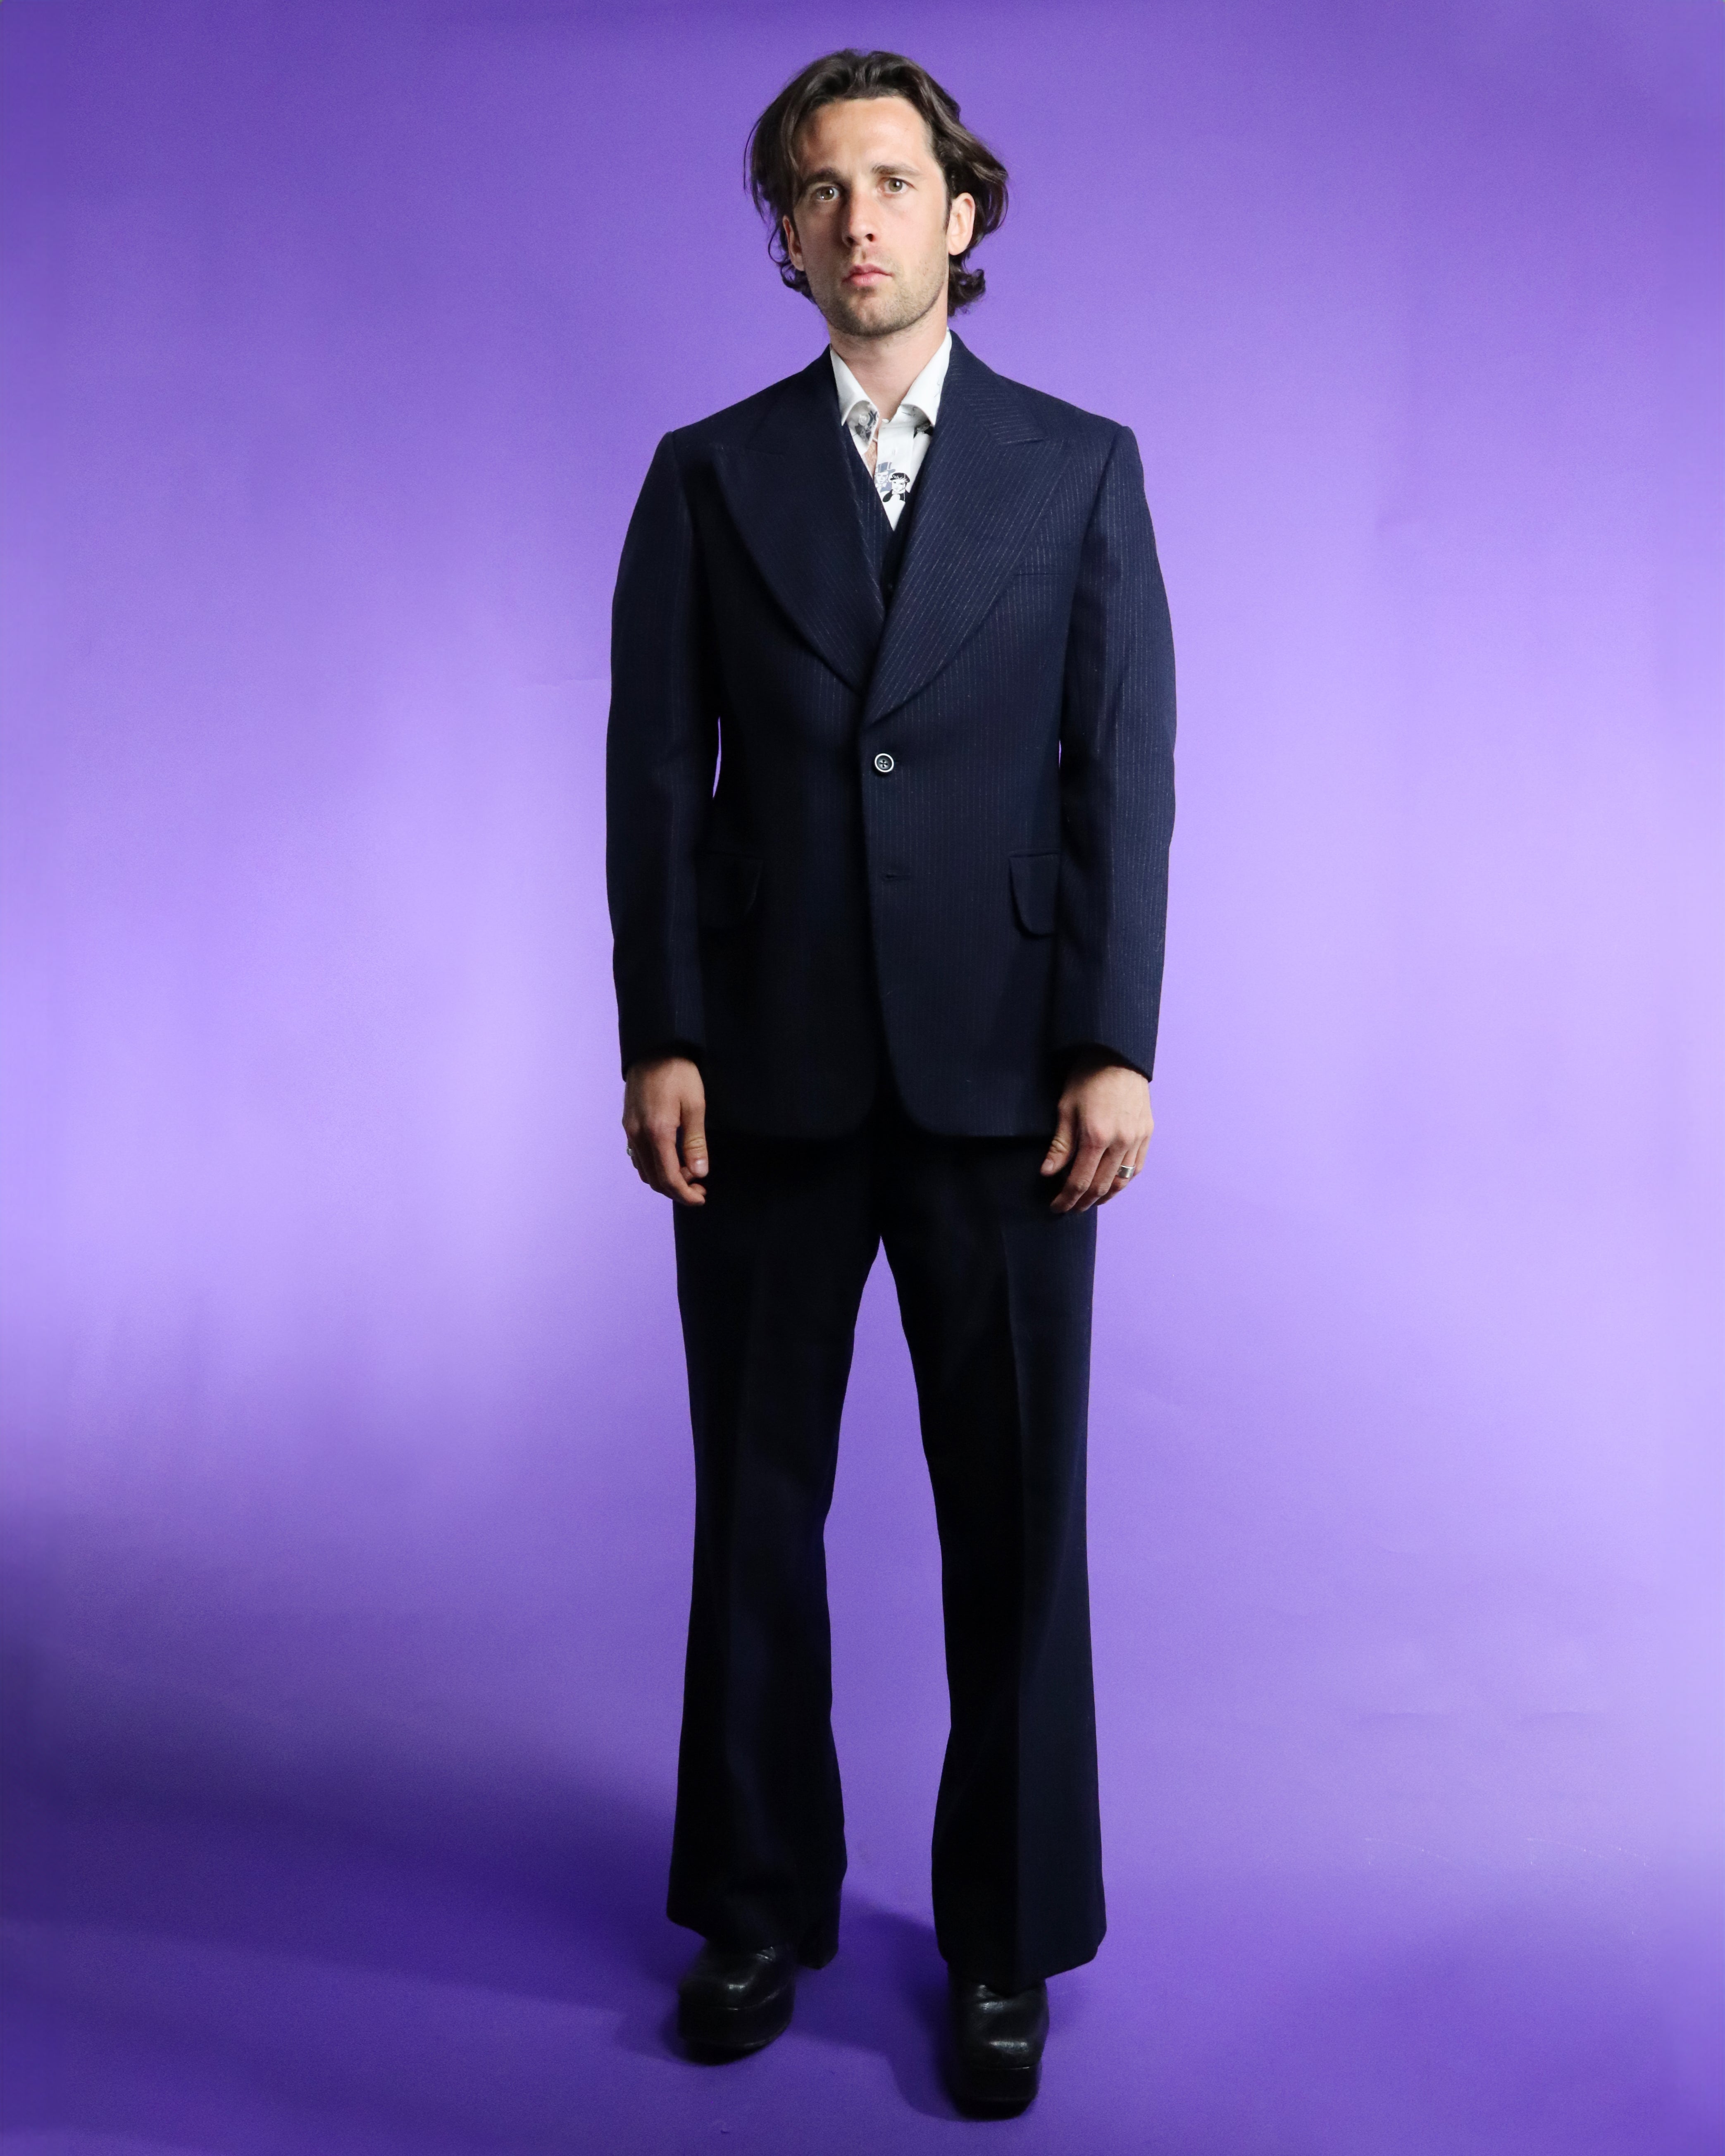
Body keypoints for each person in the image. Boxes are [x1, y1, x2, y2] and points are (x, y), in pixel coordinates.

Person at [605, 47, 1175, 2114]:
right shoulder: (706, 474)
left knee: (1018, 1521)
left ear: (964, 212)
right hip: (761, 1073)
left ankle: (1004, 1930)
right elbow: (655, 775)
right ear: (786, 234)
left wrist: (1113, 1040)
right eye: (819, 189)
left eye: (896, 180)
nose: (860, 218)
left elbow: (1122, 776)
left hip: (1011, 1081)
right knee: (755, 1510)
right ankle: (757, 1900)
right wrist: (661, 1029)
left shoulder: (1079, 469)